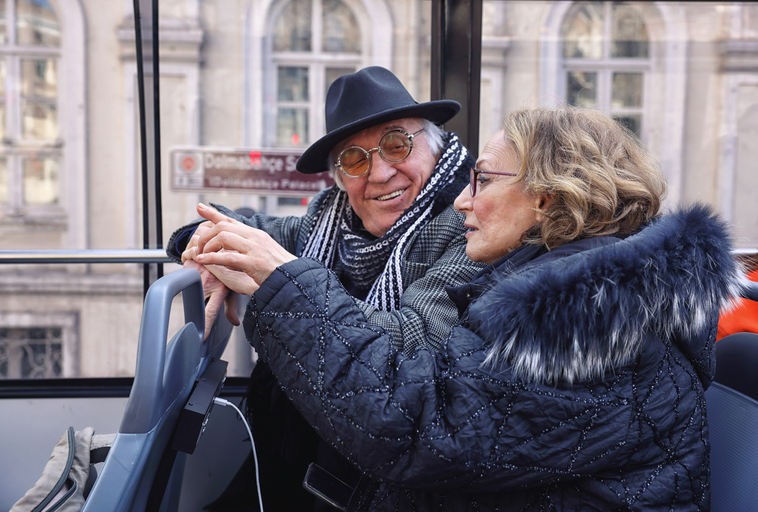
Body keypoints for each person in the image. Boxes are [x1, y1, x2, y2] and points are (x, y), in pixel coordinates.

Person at [193, 106, 747, 511]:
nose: (461, 197)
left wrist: (282, 286)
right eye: (356, 161)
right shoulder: (553, 286)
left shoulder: (582, 322)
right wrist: (216, 246)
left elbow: (409, 425)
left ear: (548, 196)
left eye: (480, 180)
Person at [167, 66, 483, 510]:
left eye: (396, 144)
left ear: (433, 147)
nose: (379, 173)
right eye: (355, 159)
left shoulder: (469, 225)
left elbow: (413, 339)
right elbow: (252, 229)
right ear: (338, 175)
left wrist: (282, 283)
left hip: (382, 476)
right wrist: (201, 240)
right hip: (301, 451)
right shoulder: (334, 221)